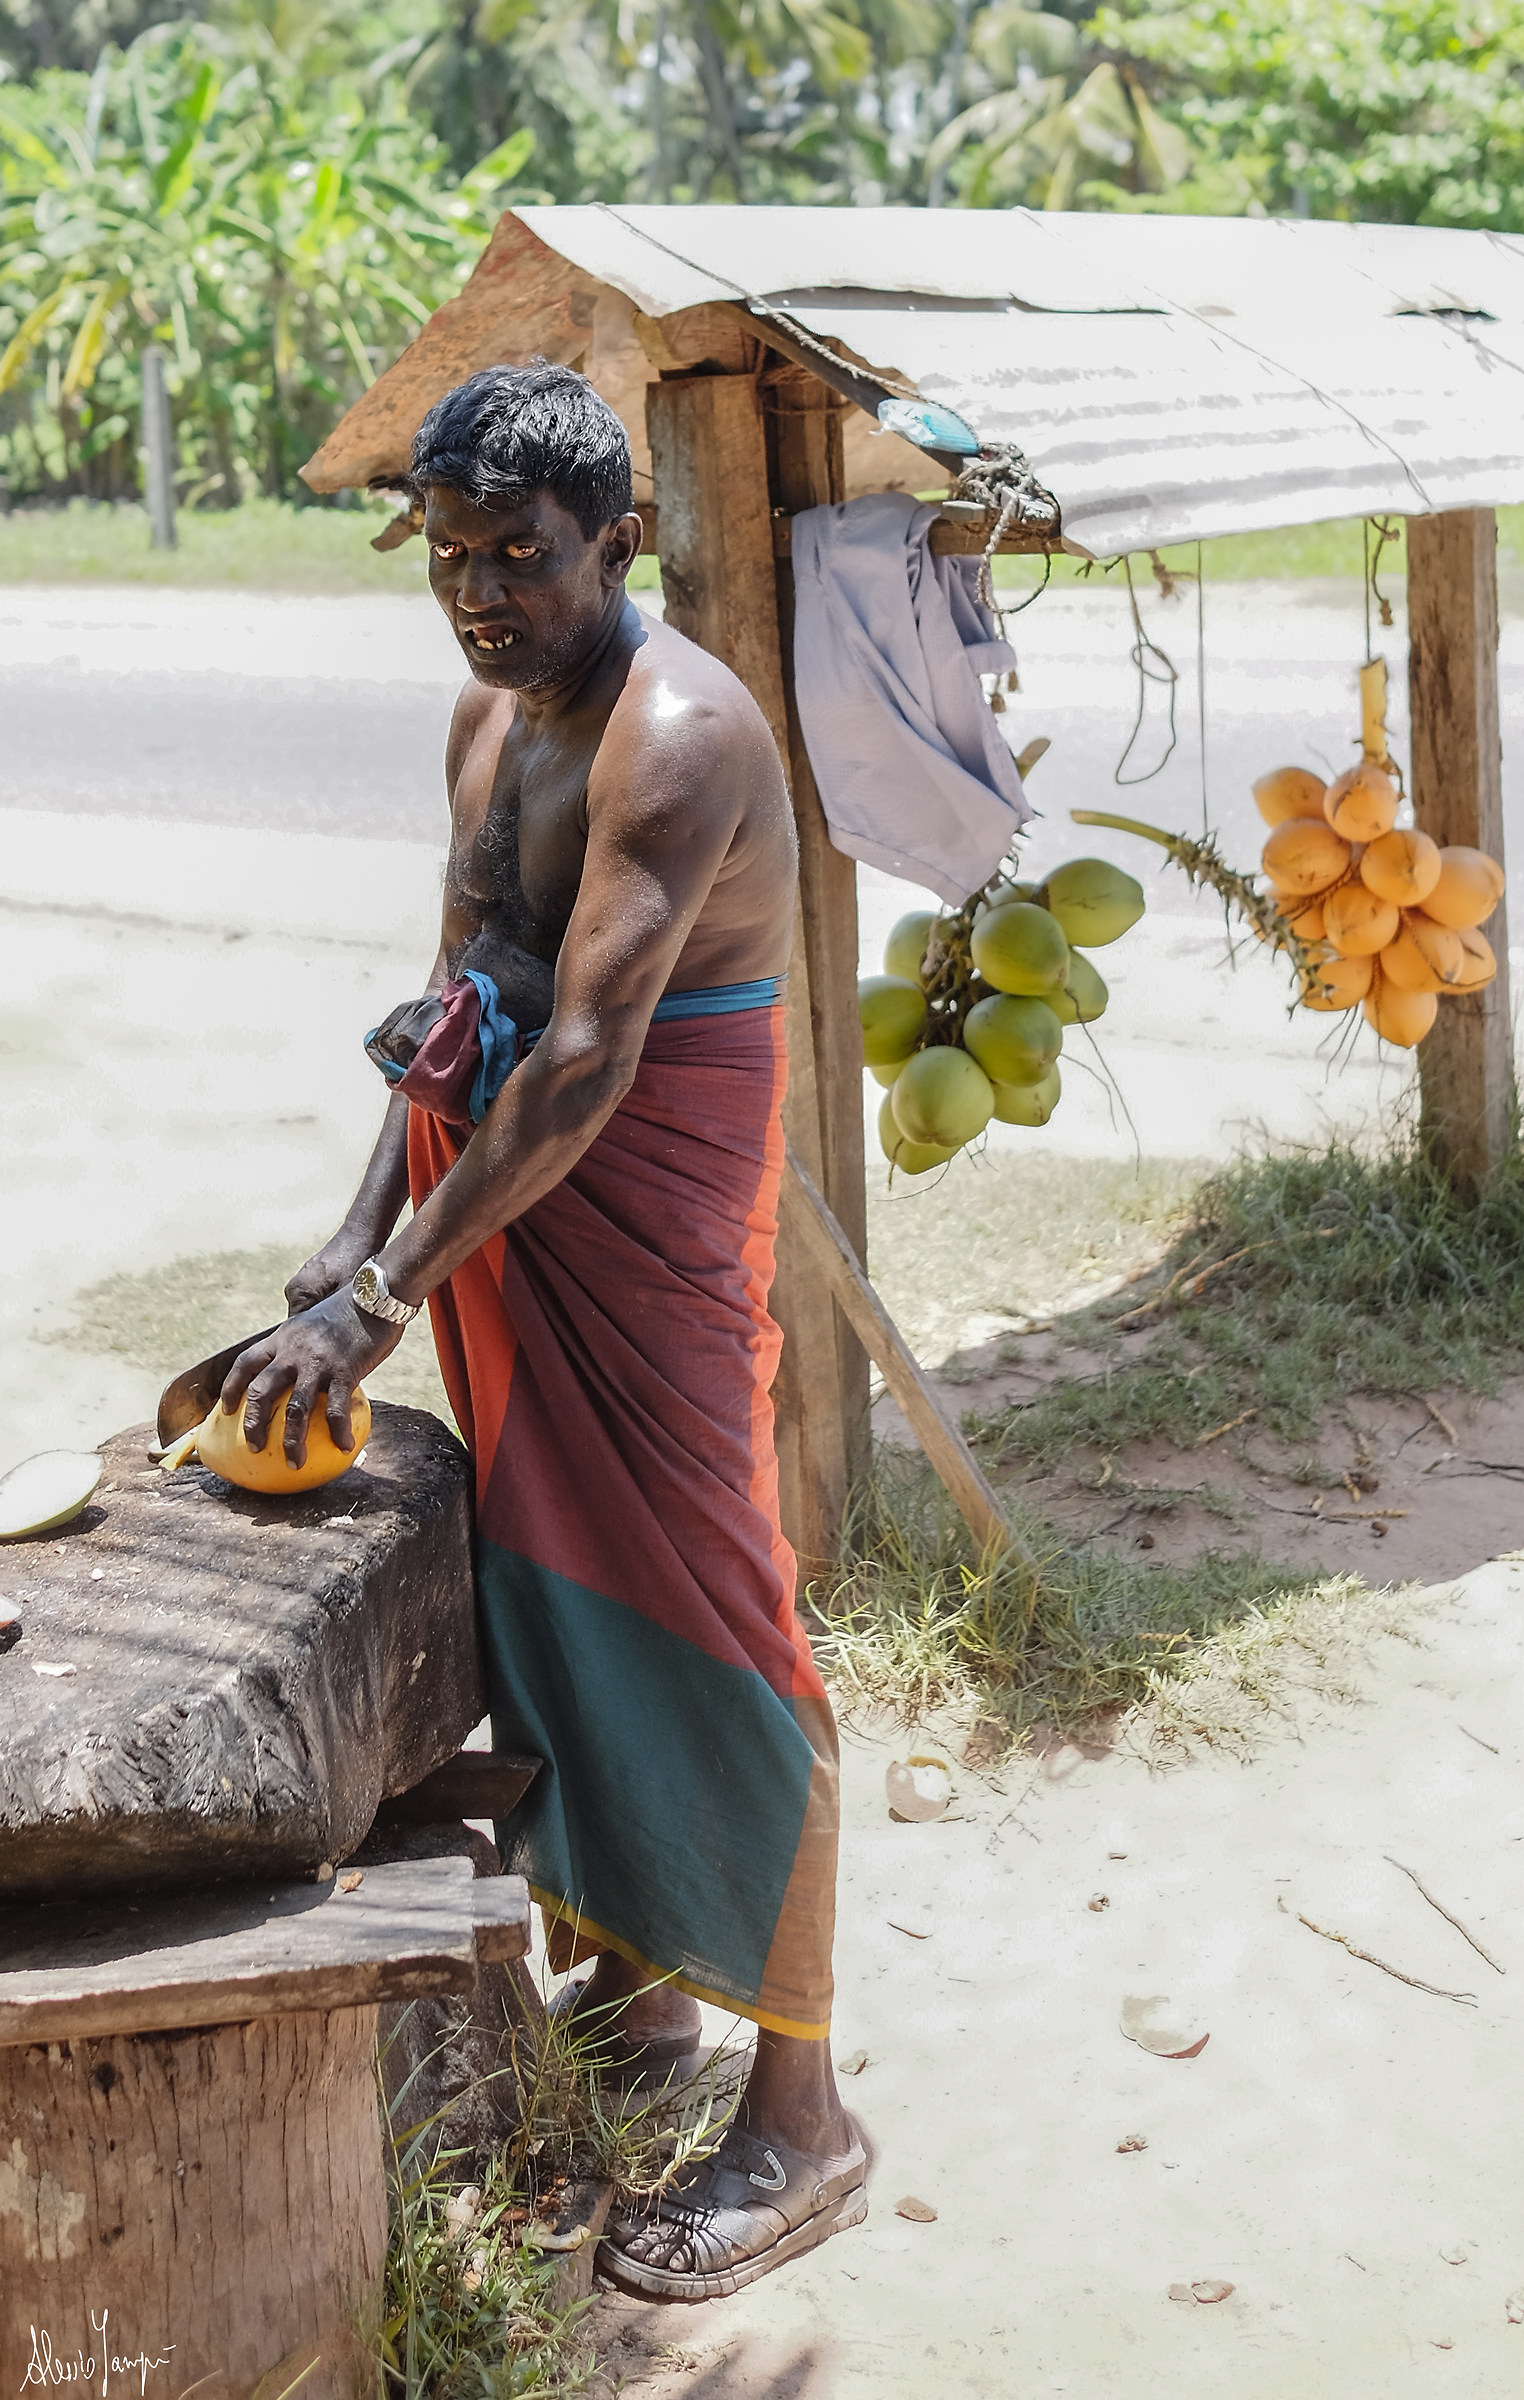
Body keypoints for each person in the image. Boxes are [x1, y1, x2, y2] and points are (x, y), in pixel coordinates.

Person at [219, 362, 863, 2301]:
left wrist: (386, 1293)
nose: (482, 590)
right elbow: (449, 1017)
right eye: (449, 553)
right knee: (542, 1583)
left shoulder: (678, 736)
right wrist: (345, 1257)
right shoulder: (482, 724)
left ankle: (804, 2116)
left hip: (635, 1226)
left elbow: (581, 1061)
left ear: (621, 541)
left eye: (521, 555)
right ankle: (646, 1993)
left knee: (713, 1615)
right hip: (501, 1213)